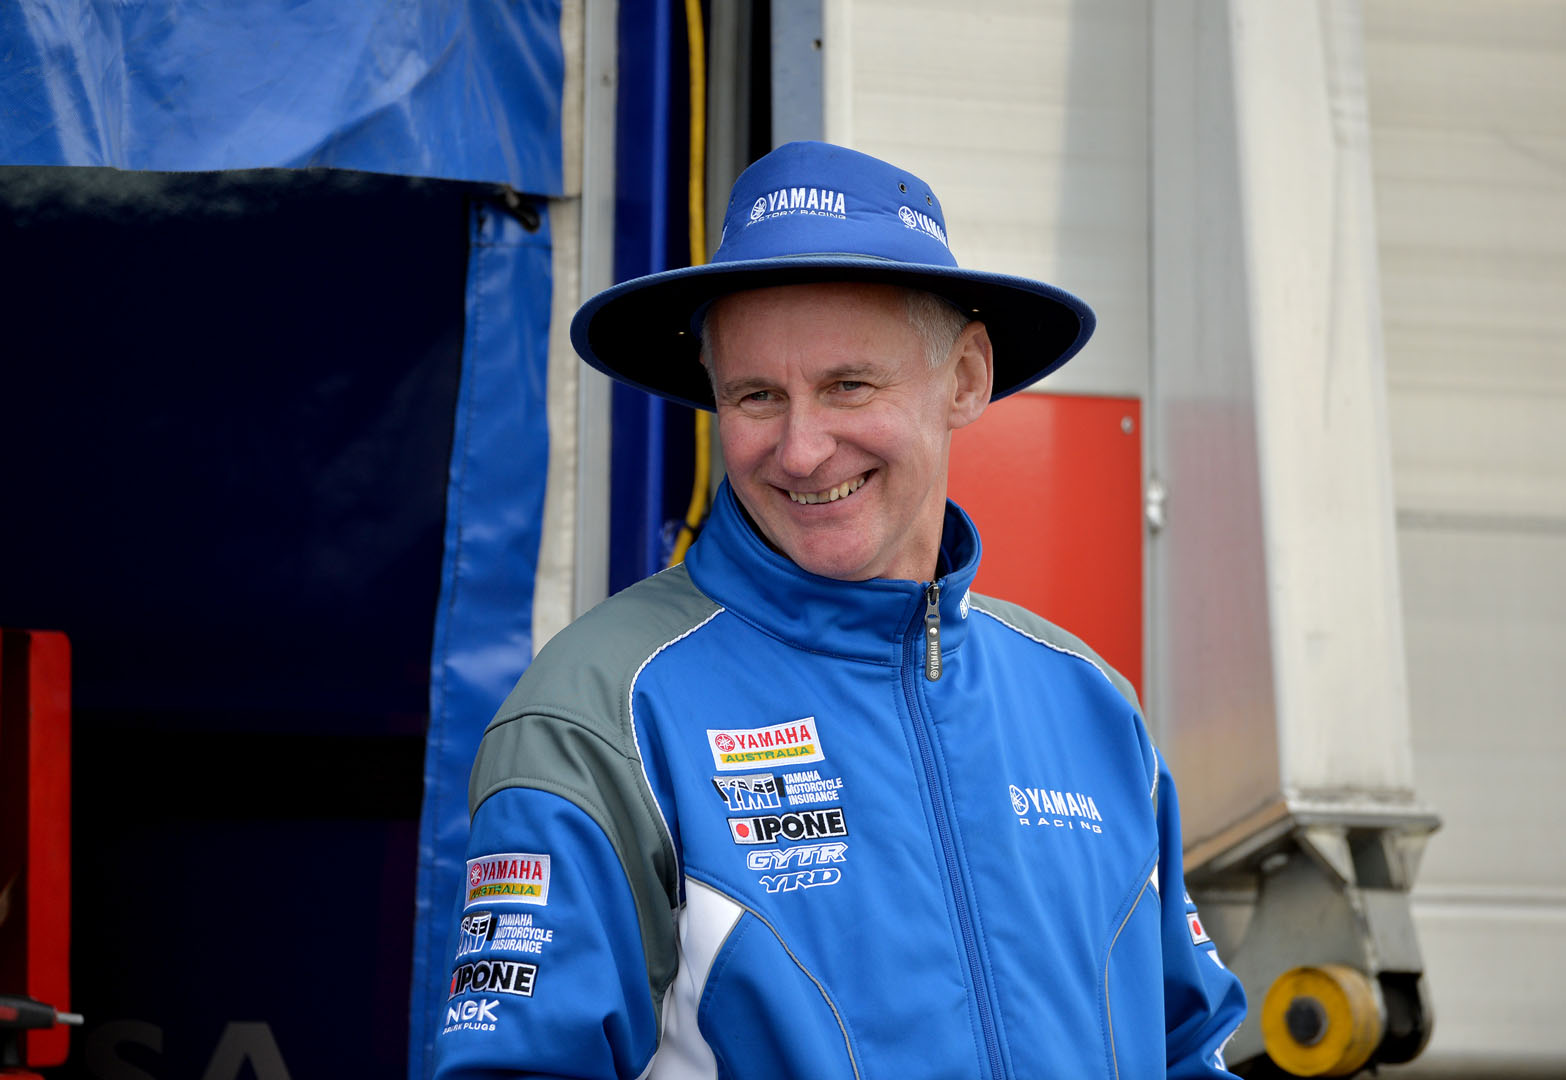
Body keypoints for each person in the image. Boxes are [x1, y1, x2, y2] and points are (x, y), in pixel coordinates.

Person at [433, 141, 1245, 1078]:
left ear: (966, 378)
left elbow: (1190, 1051)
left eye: (848, 386)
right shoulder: (602, 714)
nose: (801, 449)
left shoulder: (1087, 702)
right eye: (756, 396)